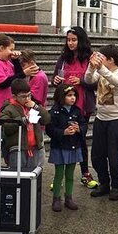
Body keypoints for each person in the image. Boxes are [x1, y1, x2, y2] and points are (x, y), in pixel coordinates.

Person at [52, 26, 99, 188]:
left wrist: (82, 82)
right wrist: (56, 81)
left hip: (82, 104)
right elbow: (55, 77)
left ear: (81, 40)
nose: (71, 43)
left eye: (74, 40)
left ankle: (85, 173)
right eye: (68, 40)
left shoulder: (89, 59)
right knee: (62, 136)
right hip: (64, 104)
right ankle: (58, 177)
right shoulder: (63, 58)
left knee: (80, 137)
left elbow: (97, 83)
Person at [84, 44, 118, 200]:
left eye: (102, 57)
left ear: (111, 60)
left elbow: (116, 81)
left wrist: (101, 68)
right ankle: (104, 183)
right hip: (101, 117)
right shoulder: (100, 72)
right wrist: (91, 67)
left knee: (114, 154)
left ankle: (116, 186)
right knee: (97, 154)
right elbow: (88, 79)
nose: (99, 60)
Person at [0, 34, 38, 130]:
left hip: (6, 110)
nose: (12, 52)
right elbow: (3, 84)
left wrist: (15, 61)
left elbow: (17, 79)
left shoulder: (7, 62)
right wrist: (24, 73)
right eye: (10, 49)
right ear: (1, 48)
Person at [45, 84, 87, 212]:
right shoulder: (55, 111)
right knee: (59, 174)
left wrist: (79, 129)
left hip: (73, 146)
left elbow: (84, 124)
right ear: (61, 96)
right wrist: (63, 132)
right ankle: (56, 198)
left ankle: (69, 197)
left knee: (70, 173)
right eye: (69, 95)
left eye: (74, 95)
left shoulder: (77, 111)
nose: (72, 98)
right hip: (60, 146)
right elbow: (50, 129)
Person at [0, 78, 51, 170]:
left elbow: (46, 120)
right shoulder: (8, 109)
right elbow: (6, 127)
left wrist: (36, 107)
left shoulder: (33, 106)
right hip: (18, 148)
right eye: (23, 96)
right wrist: (23, 120)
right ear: (14, 97)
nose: (27, 99)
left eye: (29, 95)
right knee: (18, 174)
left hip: (34, 147)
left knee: (32, 174)